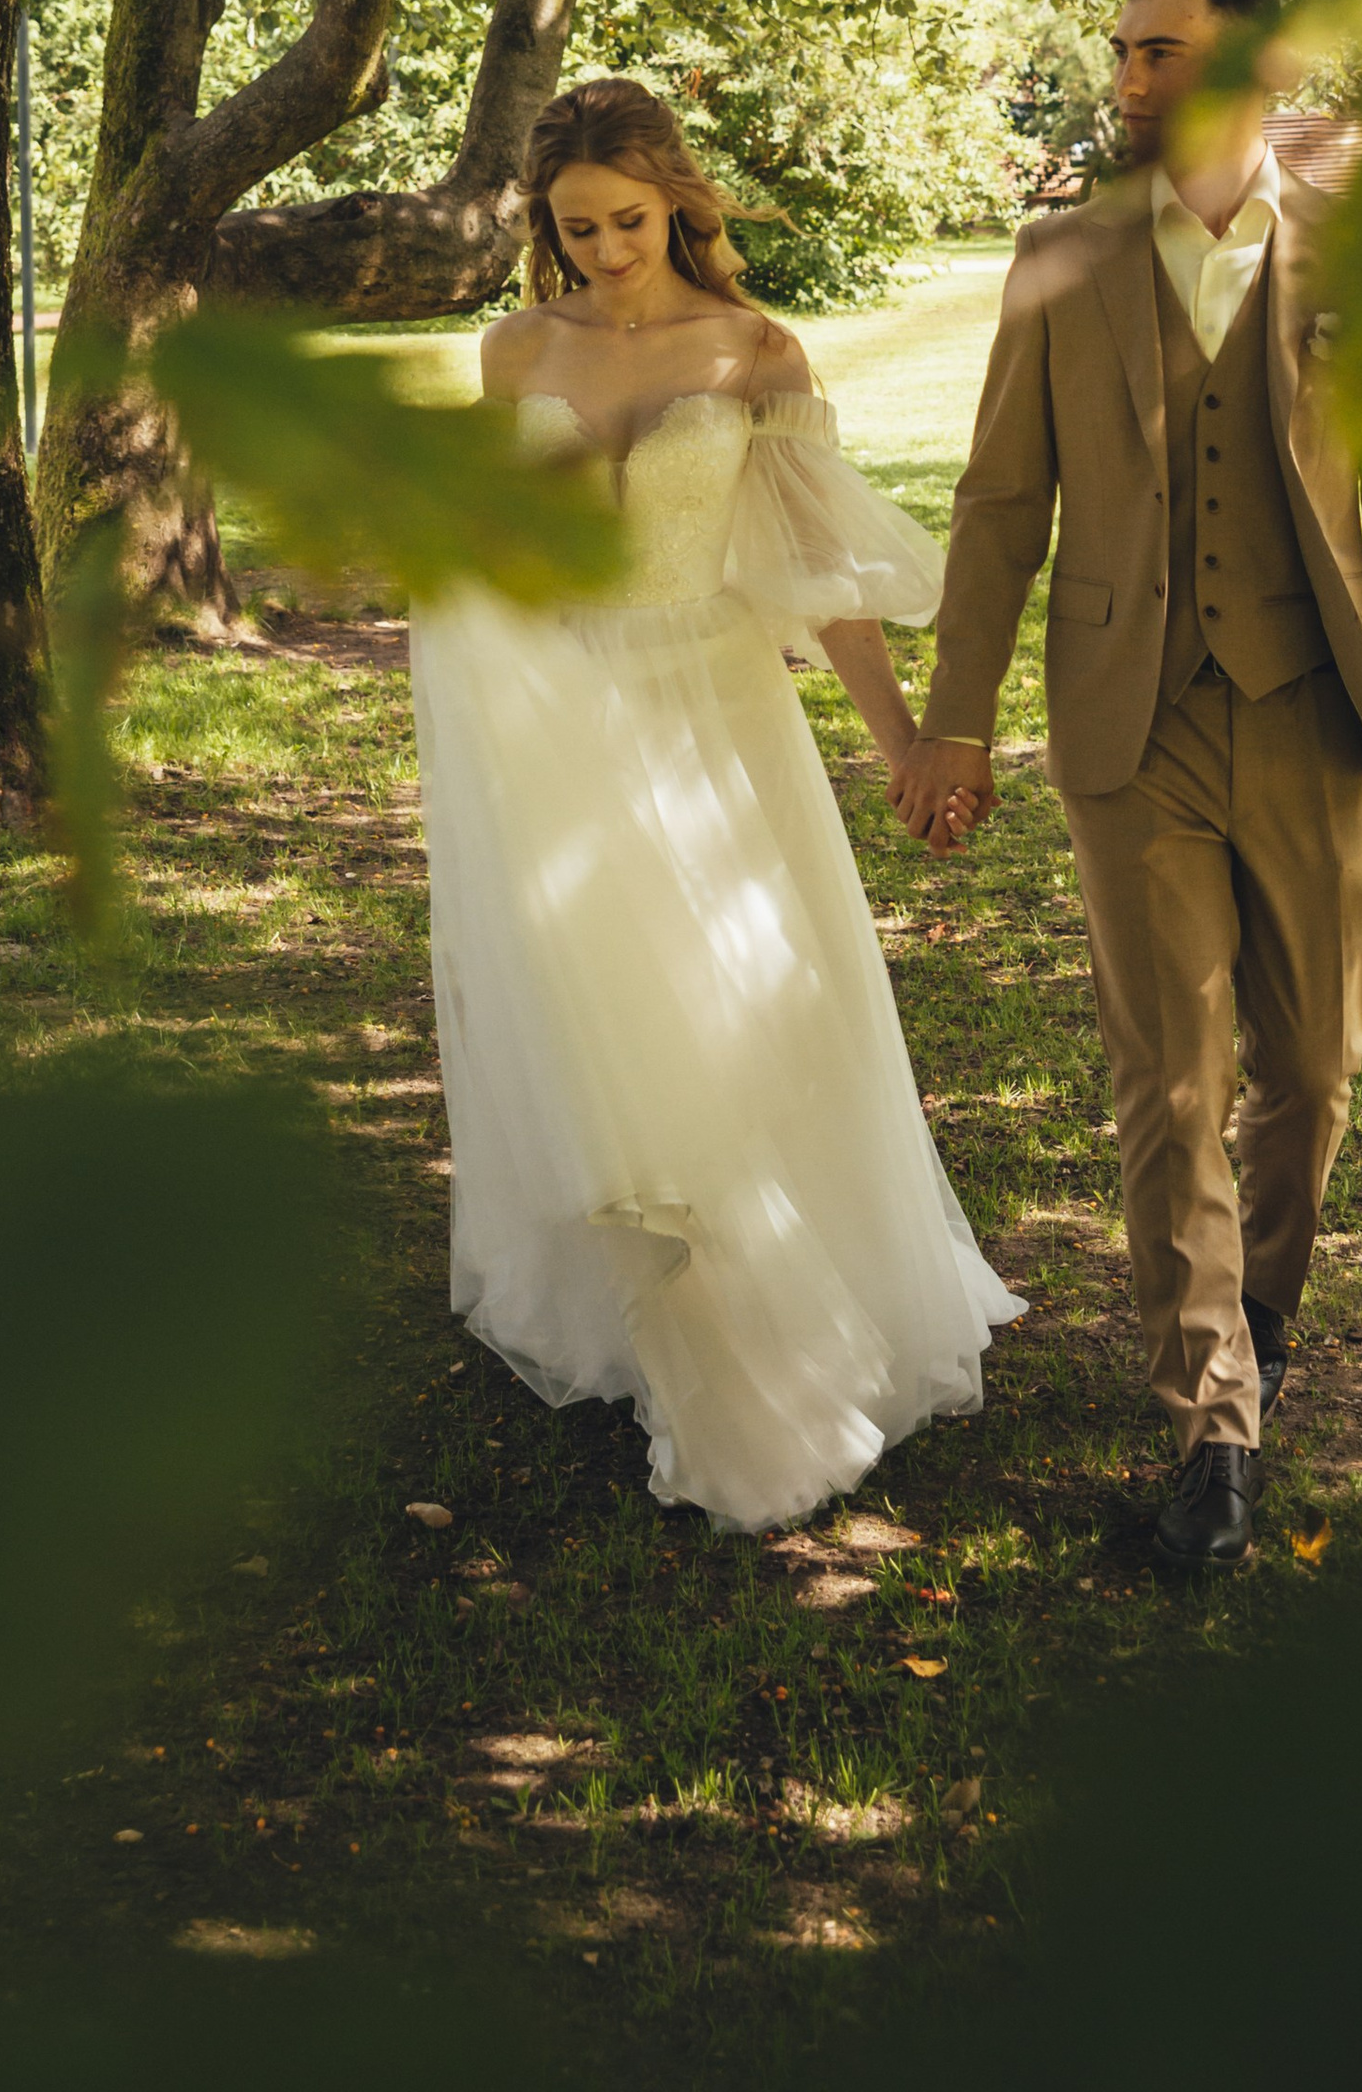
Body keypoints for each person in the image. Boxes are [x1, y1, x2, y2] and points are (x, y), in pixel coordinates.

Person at [891, 0, 1362, 1567]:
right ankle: (1210, 1416)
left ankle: (1263, 1317)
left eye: (1163, 55)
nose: (1131, 81)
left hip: (1313, 720)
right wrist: (954, 718)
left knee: (1311, 1076)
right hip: (1126, 725)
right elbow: (1004, 506)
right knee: (1171, 1080)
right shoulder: (1060, 260)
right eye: (1126, 54)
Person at [410, 77, 1023, 1532]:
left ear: (677, 203)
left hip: (721, 722)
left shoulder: (754, 352)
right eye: (576, 230)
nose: (607, 252)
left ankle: (778, 1331)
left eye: (627, 221)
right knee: (609, 1040)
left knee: (744, 1015)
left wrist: (899, 745)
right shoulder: (510, 354)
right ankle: (678, 1339)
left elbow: (819, 576)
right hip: (561, 734)